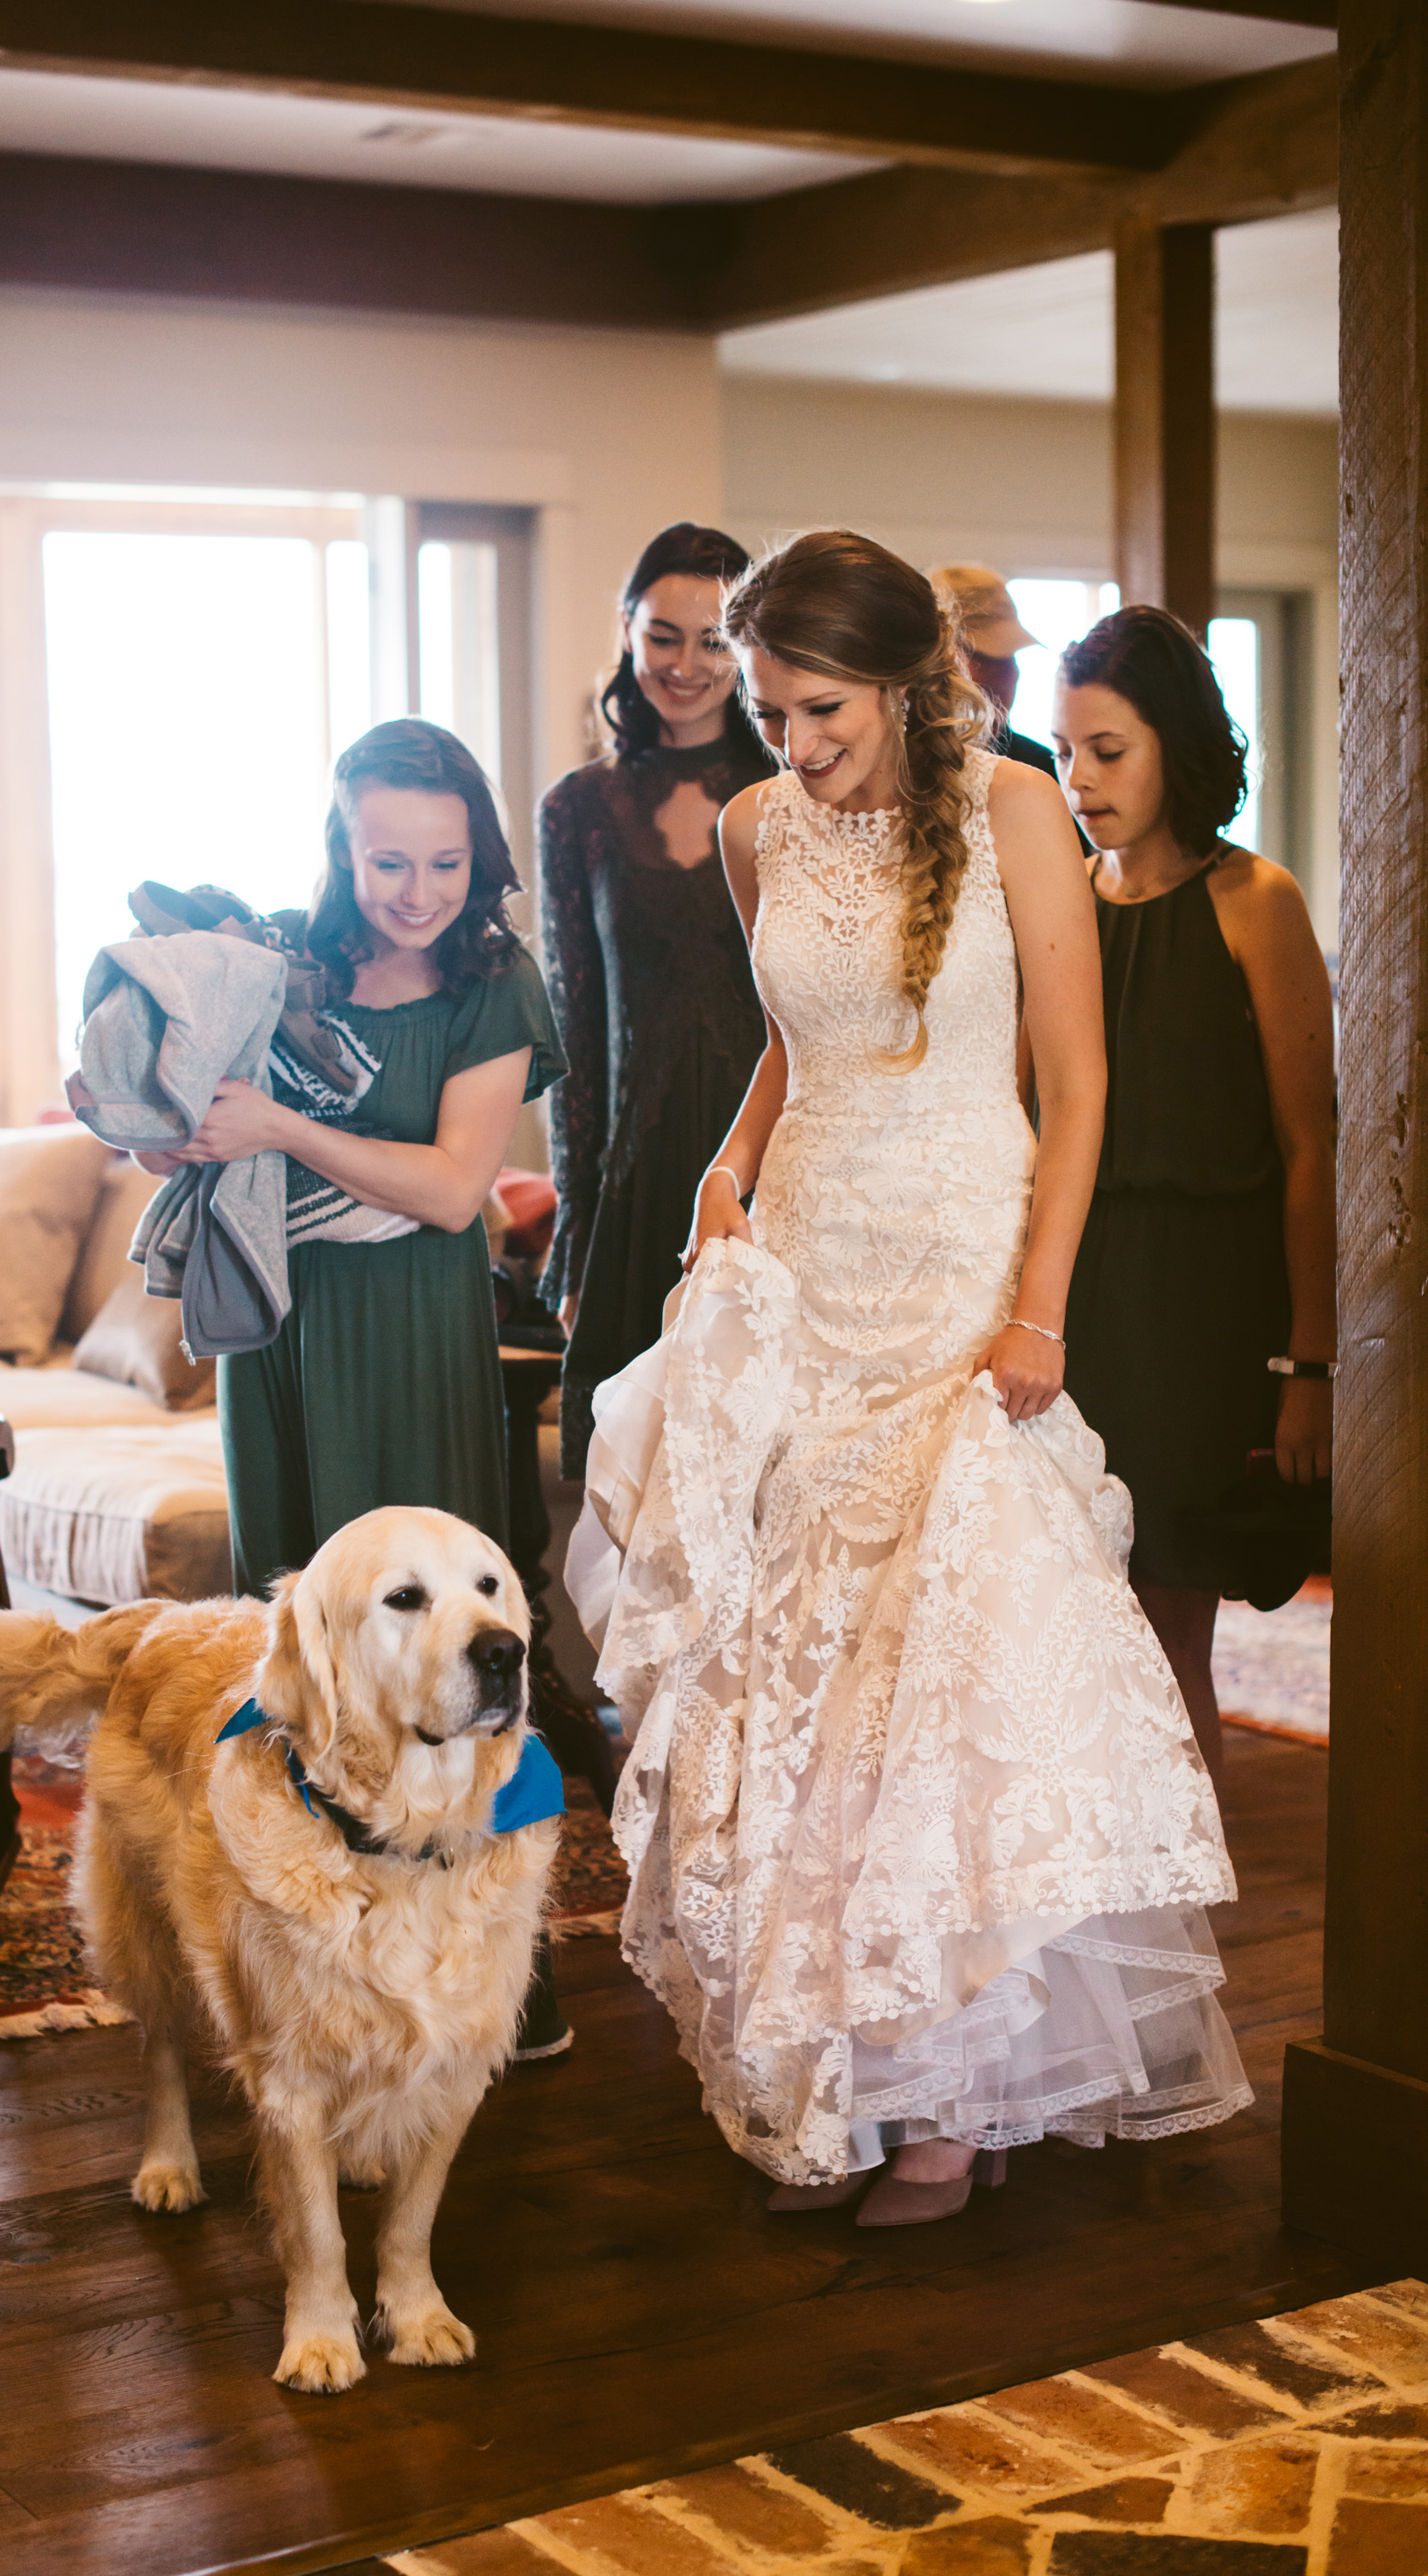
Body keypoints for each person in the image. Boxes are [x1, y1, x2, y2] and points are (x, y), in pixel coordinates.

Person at [568, 530, 1250, 2221]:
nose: (789, 747)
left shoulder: (1016, 807)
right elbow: (791, 1058)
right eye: (771, 714)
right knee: (793, 1676)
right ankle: (830, 2067)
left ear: (899, 682)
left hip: (957, 1272)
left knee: (934, 1680)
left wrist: (1040, 1312)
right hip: (803, 1263)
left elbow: (1076, 1086)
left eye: (816, 712)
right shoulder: (751, 827)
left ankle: (954, 2093)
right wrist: (730, 1172)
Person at [152, 717, 572, 2052]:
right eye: (388, 860)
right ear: (342, 849)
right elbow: (174, 1086)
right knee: (294, 1629)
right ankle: (306, 1953)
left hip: (406, 1327)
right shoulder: (285, 965)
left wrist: (274, 1127)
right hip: (283, 1323)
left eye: (443, 862)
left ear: (476, 856)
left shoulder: (495, 985)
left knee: (442, 1645)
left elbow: (455, 1188)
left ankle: (506, 1966)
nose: (417, 891)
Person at [1052, 606, 1336, 1799]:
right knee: (1076, 1626)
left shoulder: (1252, 900)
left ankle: (1178, 1940)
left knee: (1169, 1630)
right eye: (1066, 751)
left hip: (1209, 1310)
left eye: (1108, 751)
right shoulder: (1059, 898)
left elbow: (1311, 1144)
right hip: (1086, 1293)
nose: (1080, 779)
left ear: (1175, 744)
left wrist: (1309, 1365)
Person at [539, 523, 773, 1477]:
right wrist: (575, 1221)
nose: (685, 663)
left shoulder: (792, 789)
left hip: (764, 1160)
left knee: (758, 1462)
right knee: (633, 1478)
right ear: (627, 632)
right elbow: (572, 1030)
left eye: (715, 639)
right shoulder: (578, 808)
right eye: (662, 635)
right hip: (637, 1183)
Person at [927, 561, 1059, 780]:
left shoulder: (1040, 767)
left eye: (1010, 657)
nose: (1004, 676)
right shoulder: (894, 764)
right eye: (982, 658)